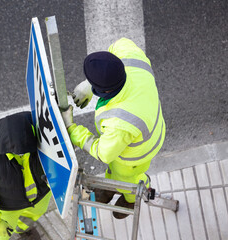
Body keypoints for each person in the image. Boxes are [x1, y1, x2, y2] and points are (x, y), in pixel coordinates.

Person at [61, 37, 165, 219]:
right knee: (115, 169)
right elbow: (119, 44)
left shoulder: (120, 120)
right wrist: (89, 83)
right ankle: (111, 187)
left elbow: (104, 153)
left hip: (135, 155)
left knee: (127, 176)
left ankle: (132, 197)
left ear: (105, 91)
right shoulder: (133, 59)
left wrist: (71, 129)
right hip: (152, 130)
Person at [0, 112, 51, 239]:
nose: (22, 155)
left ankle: (22, 230)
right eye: (18, 154)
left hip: (41, 197)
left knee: (29, 219)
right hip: (7, 207)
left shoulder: (42, 130)